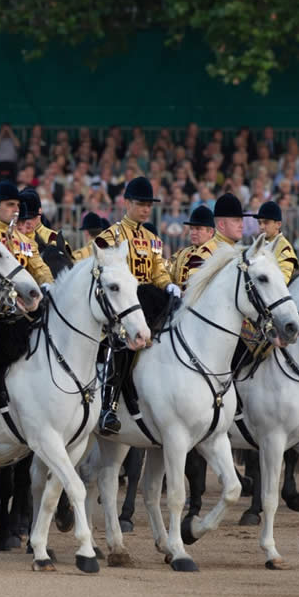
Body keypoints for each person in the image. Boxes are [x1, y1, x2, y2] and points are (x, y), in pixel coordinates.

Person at [93, 176, 179, 435]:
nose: (145, 209)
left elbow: (158, 273)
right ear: (126, 203)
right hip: (121, 303)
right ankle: (109, 404)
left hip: (148, 298)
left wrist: (169, 286)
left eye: (148, 205)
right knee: (121, 345)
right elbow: (101, 271)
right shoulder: (111, 235)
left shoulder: (153, 238)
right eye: (141, 204)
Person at [0, 181, 54, 426]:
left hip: (20, 308)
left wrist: (47, 284)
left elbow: (39, 266)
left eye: (17, 205)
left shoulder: (23, 239)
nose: (15, 209)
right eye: (10, 205)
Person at [166, 205, 217, 289]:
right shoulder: (183, 253)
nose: (193, 232)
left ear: (211, 232)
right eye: (191, 228)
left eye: (198, 229)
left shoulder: (218, 254)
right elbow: (165, 270)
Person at [253, 200, 298, 283]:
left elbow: (282, 283)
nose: (261, 227)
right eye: (259, 223)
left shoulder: (286, 249)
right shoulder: (258, 243)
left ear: (278, 224)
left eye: (266, 222)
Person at [18, 187, 70, 257]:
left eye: (31, 216)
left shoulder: (53, 238)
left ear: (40, 211)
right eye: (22, 219)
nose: (27, 221)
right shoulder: (12, 237)